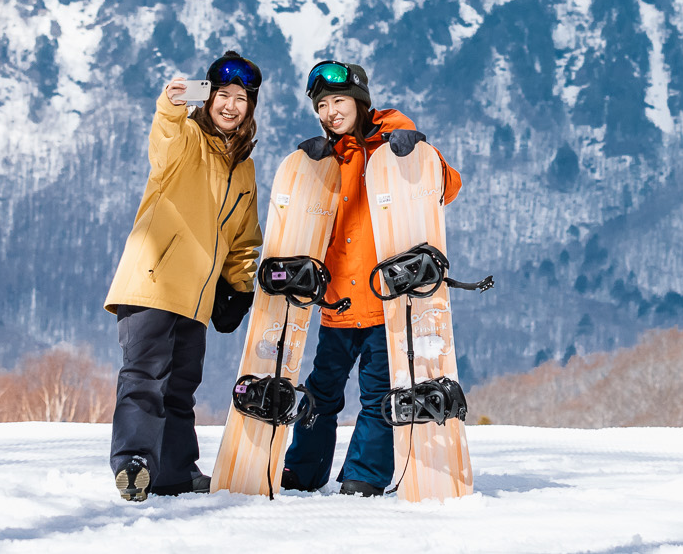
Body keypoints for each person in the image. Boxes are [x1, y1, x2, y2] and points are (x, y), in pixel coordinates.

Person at [279, 59, 461, 495]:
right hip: (338, 305)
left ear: (360, 102)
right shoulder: (329, 158)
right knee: (322, 395)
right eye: (321, 104)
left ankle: (364, 475)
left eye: (338, 101)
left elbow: (447, 188)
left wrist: (422, 153)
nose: (330, 112)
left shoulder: (394, 144)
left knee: (379, 394)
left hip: (385, 305)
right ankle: (303, 471)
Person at [103, 50, 264, 502]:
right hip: (154, 282)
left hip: (197, 296)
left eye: (241, 99)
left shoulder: (244, 166)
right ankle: (134, 462)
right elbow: (163, 143)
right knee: (144, 377)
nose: (231, 106)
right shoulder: (187, 138)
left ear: (250, 107)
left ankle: (174, 471)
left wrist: (239, 283)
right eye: (222, 95)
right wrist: (171, 106)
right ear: (208, 98)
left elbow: (244, 237)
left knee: (180, 388)